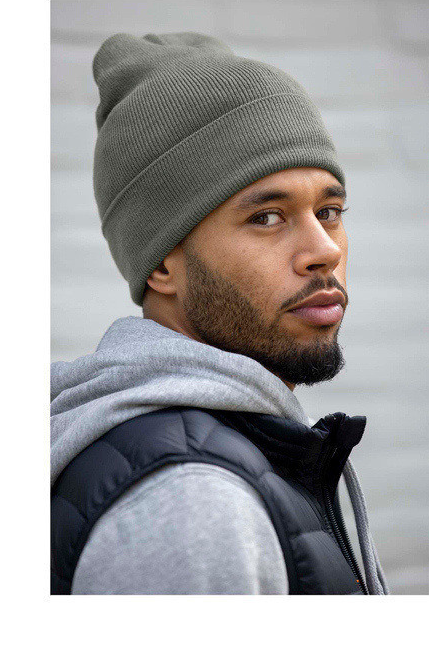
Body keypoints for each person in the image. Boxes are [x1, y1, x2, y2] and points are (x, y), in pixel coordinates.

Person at [50, 31, 389, 595]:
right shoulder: (193, 504)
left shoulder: (227, 452)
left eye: (329, 210)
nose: (325, 250)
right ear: (162, 264)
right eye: (267, 217)